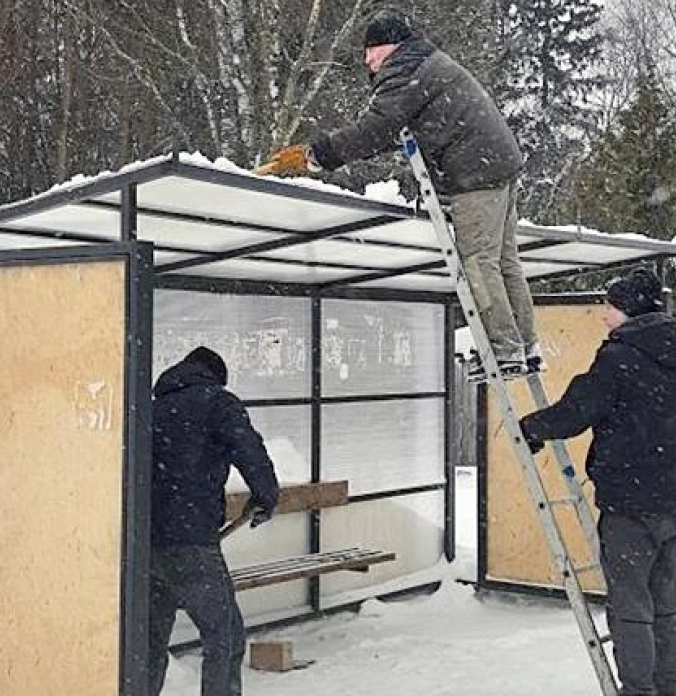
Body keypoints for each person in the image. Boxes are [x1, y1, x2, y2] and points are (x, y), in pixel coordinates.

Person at [261, 7, 540, 377]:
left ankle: (505, 351)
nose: (367, 60)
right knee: (505, 262)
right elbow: (394, 131)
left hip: (476, 173)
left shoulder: (405, 71)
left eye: (369, 51)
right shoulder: (427, 64)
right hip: (498, 163)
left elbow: (375, 129)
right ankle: (526, 346)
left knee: (477, 262)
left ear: (387, 47)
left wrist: (318, 154)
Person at [519, 269, 676, 696]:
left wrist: (533, 427)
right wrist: (664, 467)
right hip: (672, 503)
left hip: (629, 505)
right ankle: (670, 684)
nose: (604, 316)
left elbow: (580, 407)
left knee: (631, 608)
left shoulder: (620, 358)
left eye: (610, 307)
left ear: (629, 311)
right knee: (664, 606)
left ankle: (638, 689)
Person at [148, 346, 280, 696]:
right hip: (192, 545)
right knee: (224, 638)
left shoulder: (152, 408)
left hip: (145, 546)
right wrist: (265, 495)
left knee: (146, 645)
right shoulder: (217, 402)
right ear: (214, 376)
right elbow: (247, 447)